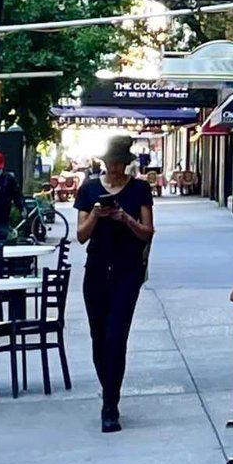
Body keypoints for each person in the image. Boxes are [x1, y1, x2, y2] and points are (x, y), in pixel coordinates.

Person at [75, 134, 155, 432]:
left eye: (121, 164)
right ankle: (108, 388)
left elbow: (148, 231)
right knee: (99, 337)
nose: (116, 169)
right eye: (111, 164)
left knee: (116, 336)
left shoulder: (140, 190)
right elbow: (81, 235)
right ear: (104, 164)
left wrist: (126, 218)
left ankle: (110, 404)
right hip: (96, 269)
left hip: (126, 270)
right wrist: (96, 214)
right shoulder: (89, 190)